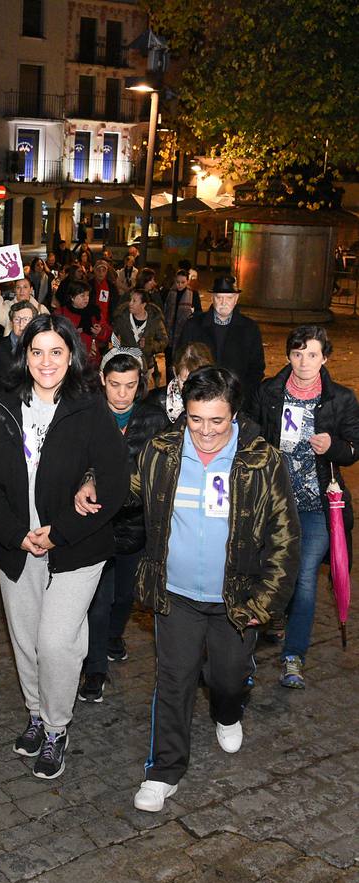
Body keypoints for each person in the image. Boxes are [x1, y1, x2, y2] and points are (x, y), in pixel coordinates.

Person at [105, 367, 299, 813]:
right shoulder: (163, 451)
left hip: (236, 600)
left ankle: (228, 710)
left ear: (234, 415)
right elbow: (131, 489)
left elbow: (285, 538)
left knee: (227, 678)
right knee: (173, 680)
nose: (206, 431)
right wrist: (95, 485)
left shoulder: (261, 461)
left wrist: (264, 603)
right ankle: (163, 770)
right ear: (185, 414)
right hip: (175, 595)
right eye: (196, 420)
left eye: (217, 420)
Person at [0, 315, 128, 780]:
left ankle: (58, 727)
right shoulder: (1, 407)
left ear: (71, 356)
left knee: (56, 642)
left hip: (76, 545)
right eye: (37, 351)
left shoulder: (89, 408)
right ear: (24, 356)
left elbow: (114, 481)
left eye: (56, 351)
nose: (46, 361)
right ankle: (36, 715)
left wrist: (58, 530)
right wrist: (15, 533)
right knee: (25, 640)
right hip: (17, 545)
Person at [256, 326, 359, 688]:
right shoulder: (270, 391)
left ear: (325, 358)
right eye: (297, 354)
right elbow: (254, 436)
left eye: (312, 355)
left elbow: (353, 449)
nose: (304, 362)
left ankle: (293, 656)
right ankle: (258, 634)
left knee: (304, 579)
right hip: (275, 503)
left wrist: (332, 445)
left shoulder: (340, 399)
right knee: (268, 571)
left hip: (317, 505)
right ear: (288, 356)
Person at [77, 348, 169, 702]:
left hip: (136, 525)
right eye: (115, 385)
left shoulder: (154, 420)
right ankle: (95, 670)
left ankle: (115, 634)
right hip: (96, 523)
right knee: (98, 600)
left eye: (130, 385)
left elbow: (160, 471)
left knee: (125, 595)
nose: (121, 394)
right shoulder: (89, 414)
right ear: (102, 381)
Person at [176, 275, 266, 414]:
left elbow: (256, 368)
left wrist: (242, 397)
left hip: (236, 402)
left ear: (236, 299)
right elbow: (180, 360)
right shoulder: (193, 325)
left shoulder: (250, 329)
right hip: (199, 400)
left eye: (229, 298)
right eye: (219, 297)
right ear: (212, 298)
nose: (224, 302)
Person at [111, 288, 169, 387]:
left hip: (146, 365)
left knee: (143, 395)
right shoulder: (122, 318)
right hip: (127, 365)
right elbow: (112, 334)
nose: (130, 303)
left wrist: (149, 345)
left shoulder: (154, 320)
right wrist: (118, 349)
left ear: (143, 304)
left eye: (134, 301)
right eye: (130, 300)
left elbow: (164, 340)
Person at [148, 342, 215, 424]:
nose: (192, 389)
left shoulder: (220, 401)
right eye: (185, 381)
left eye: (199, 382)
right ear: (175, 372)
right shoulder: (153, 403)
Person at [0, 302, 37, 396]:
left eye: (26, 319)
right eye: (17, 319)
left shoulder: (41, 348)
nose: (22, 324)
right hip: (4, 404)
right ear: (11, 322)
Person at [57, 280, 110, 366]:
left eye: (87, 295)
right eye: (82, 296)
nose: (86, 298)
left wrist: (100, 332)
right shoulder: (61, 313)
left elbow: (108, 333)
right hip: (69, 359)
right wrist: (72, 334)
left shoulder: (94, 311)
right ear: (72, 297)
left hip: (91, 360)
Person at [162, 269, 200, 378]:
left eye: (183, 282)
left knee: (181, 363)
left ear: (187, 281)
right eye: (177, 282)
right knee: (168, 363)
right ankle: (169, 385)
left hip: (184, 334)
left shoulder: (193, 294)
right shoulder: (169, 293)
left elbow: (199, 313)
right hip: (169, 334)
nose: (179, 285)